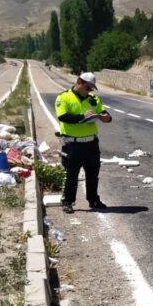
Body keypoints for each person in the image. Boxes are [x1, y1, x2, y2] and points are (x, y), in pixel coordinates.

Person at [55, 72, 112, 213]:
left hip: (91, 144)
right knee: (71, 174)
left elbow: (105, 114)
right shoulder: (64, 97)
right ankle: (68, 201)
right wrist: (82, 117)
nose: (90, 91)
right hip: (72, 144)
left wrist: (105, 118)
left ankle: (93, 199)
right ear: (79, 82)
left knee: (93, 174)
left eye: (92, 88)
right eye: (88, 88)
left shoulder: (93, 99)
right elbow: (63, 117)